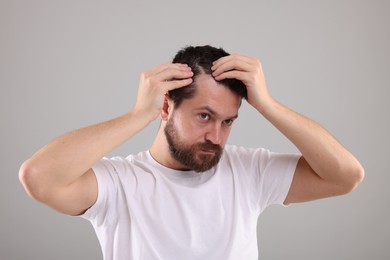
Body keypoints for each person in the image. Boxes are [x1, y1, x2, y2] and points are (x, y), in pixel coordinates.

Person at [19, 45, 364, 259]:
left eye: (228, 121)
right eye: (204, 116)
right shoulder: (119, 183)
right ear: (166, 107)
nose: (216, 136)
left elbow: (346, 176)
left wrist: (269, 105)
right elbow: (39, 177)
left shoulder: (249, 171)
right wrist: (138, 115)